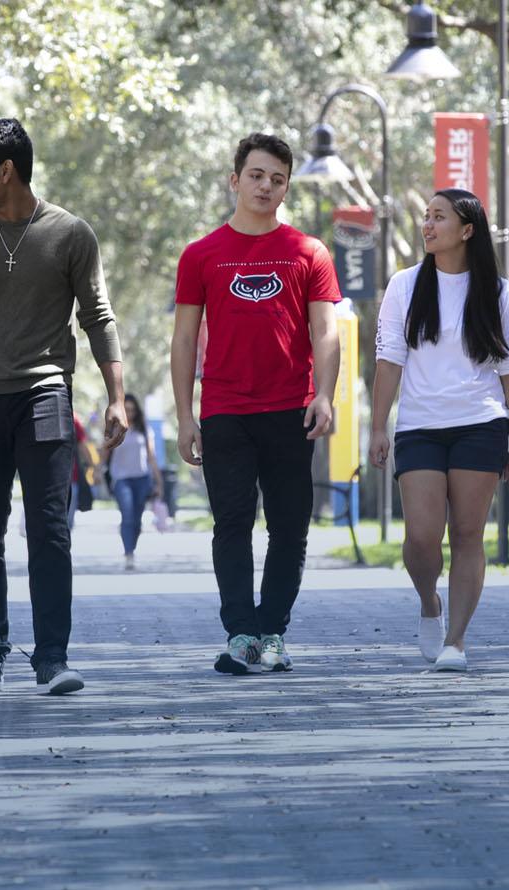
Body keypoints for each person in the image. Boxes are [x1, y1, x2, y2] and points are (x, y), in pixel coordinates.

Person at [0, 118, 127, 695]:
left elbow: (98, 318)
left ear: (5, 170)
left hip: (44, 395)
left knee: (50, 530)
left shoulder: (70, 233)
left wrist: (116, 397)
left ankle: (53, 658)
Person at [171, 133, 340, 676]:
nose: (266, 186)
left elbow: (326, 332)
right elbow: (182, 340)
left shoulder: (308, 252)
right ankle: (240, 634)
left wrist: (326, 396)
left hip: (291, 408)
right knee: (232, 523)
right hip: (224, 410)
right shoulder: (201, 255)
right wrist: (184, 415)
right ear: (235, 180)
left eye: (277, 179)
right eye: (257, 175)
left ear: (286, 187)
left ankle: (273, 634)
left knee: (290, 526)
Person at [368, 189, 509, 672]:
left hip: (480, 424)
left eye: (439, 216)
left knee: (466, 534)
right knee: (421, 537)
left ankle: (456, 641)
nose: (427, 224)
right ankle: (429, 603)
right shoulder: (404, 285)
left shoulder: (498, 294)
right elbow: (389, 360)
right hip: (419, 426)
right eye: (426, 216)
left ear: (467, 230)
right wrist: (379, 426)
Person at [105, 394, 163, 572]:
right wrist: (99, 470)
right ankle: (128, 552)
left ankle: (132, 545)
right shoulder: (115, 428)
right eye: (126, 409)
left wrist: (159, 481)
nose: (129, 413)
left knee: (137, 519)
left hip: (142, 478)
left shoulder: (144, 429)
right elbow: (105, 452)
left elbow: (151, 457)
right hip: (121, 479)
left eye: (132, 410)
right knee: (127, 515)